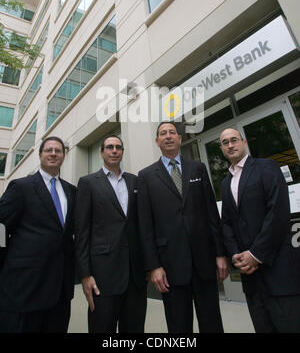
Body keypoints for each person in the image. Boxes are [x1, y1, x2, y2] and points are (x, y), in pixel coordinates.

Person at [137, 122, 228, 333]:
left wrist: (220, 253)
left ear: (179, 138)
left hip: (204, 262)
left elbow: (211, 214)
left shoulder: (198, 168)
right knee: (179, 326)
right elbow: (145, 225)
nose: (168, 136)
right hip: (170, 267)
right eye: (163, 134)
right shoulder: (146, 176)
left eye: (172, 133)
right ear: (157, 141)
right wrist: (153, 267)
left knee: (212, 322)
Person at [220, 127, 300, 333]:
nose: (230, 145)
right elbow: (226, 223)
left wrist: (256, 254)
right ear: (222, 148)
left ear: (244, 142)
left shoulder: (266, 167)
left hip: (277, 271)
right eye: (225, 142)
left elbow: (278, 213)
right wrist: (235, 254)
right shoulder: (225, 182)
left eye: (234, 140)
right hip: (251, 279)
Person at [0, 136, 76, 333]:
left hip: (60, 291)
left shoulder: (72, 191)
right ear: (40, 154)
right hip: (24, 287)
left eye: (57, 151)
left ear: (64, 156)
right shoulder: (21, 187)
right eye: (48, 150)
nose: (53, 154)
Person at [75, 135, 147, 333]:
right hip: (102, 275)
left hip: (135, 275)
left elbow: (142, 226)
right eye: (109, 147)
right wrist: (84, 274)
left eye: (118, 147)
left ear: (122, 152)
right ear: (102, 152)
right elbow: (82, 231)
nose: (114, 151)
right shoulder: (88, 183)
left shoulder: (135, 181)